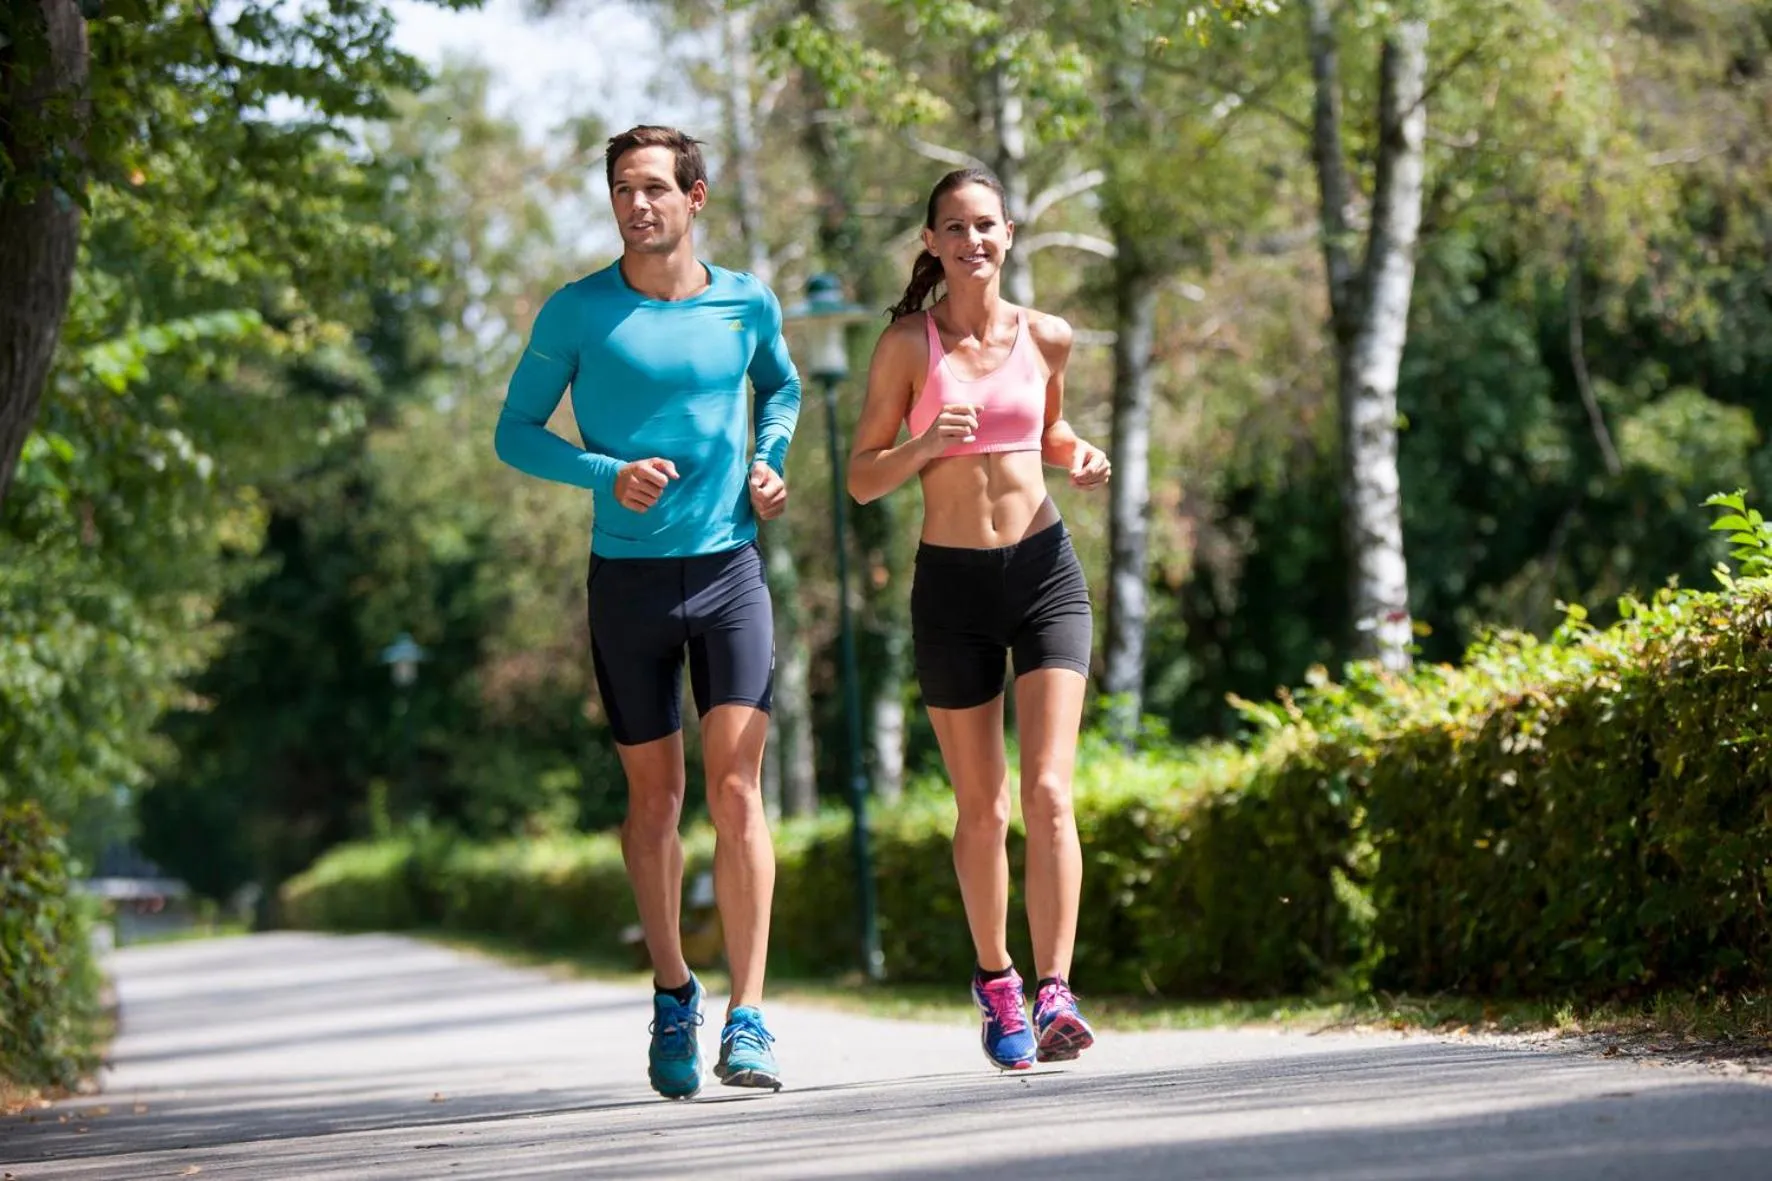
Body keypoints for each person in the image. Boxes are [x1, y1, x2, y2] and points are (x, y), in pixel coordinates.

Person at [494, 125, 800, 1099]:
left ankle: (747, 1013)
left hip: (727, 569)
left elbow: (781, 386)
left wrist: (771, 459)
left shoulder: (744, 300)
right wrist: (603, 470)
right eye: (622, 189)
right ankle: (674, 988)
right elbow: (513, 431)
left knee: (735, 787)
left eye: (655, 189)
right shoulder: (578, 312)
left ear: (695, 196)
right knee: (654, 801)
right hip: (625, 580)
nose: (637, 205)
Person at [847, 168, 1113, 1071]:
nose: (973, 241)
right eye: (954, 228)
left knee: (1048, 792)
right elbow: (860, 475)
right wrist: (924, 444)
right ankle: (997, 976)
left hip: (1043, 573)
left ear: (1009, 235)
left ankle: (1057, 990)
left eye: (986, 226)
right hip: (953, 589)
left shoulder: (1048, 335)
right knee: (983, 806)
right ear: (931, 242)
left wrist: (1081, 456)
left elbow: (1052, 434)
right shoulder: (905, 347)